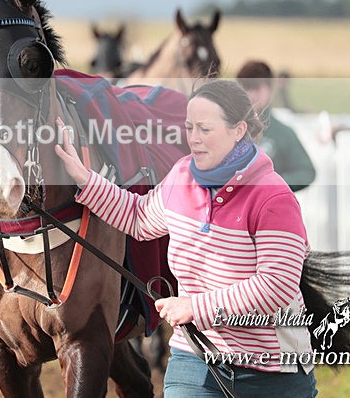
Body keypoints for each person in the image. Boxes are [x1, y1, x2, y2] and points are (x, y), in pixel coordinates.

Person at [55, 80, 317, 397]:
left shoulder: (273, 197)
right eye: (189, 127)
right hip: (194, 358)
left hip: (271, 371)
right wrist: (84, 178)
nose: (193, 139)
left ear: (238, 131)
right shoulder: (182, 176)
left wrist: (196, 307)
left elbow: (277, 285)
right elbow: (138, 218)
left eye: (205, 129)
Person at [236, 60, 316, 192]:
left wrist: (272, 185)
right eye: (245, 88)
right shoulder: (226, 130)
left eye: (256, 88)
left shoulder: (282, 133)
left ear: (269, 89)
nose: (251, 95)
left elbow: (306, 172)